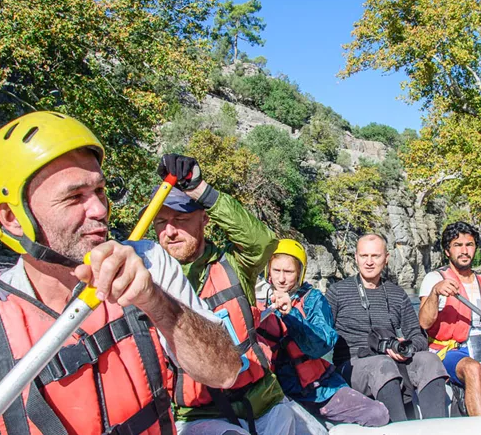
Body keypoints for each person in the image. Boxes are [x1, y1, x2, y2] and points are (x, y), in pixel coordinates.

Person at [0, 112, 241, 434]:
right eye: (74, 197)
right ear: (12, 219)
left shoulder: (149, 262)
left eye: (100, 191)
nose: (101, 210)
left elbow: (225, 372)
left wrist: (155, 300)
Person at [151, 155, 313, 435]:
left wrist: (201, 189)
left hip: (262, 401)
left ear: (203, 220)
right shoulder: (147, 278)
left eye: (180, 219)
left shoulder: (235, 265)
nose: (170, 232)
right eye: (161, 222)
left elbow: (262, 242)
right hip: (200, 414)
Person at [257, 239, 390, 427]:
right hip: (277, 395)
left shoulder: (313, 299)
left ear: (300, 273)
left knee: (378, 414)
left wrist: (291, 315)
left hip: (320, 389)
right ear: (268, 270)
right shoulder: (256, 303)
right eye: (276, 270)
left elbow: (322, 344)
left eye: (288, 272)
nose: (281, 278)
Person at [326, 234, 449, 422]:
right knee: (382, 366)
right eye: (364, 256)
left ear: (386, 258)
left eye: (375, 256)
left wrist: (406, 346)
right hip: (351, 363)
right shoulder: (337, 292)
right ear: (356, 258)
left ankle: (437, 428)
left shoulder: (396, 294)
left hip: (391, 360)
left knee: (429, 360)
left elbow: (418, 335)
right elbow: (321, 333)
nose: (369, 262)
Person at [418, 222, 481, 416]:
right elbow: (423, 323)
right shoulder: (434, 279)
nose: (464, 251)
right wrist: (435, 293)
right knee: (472, 368)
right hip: (449, 350)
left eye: (469, 245)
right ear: (448, 251)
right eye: (458, 245)